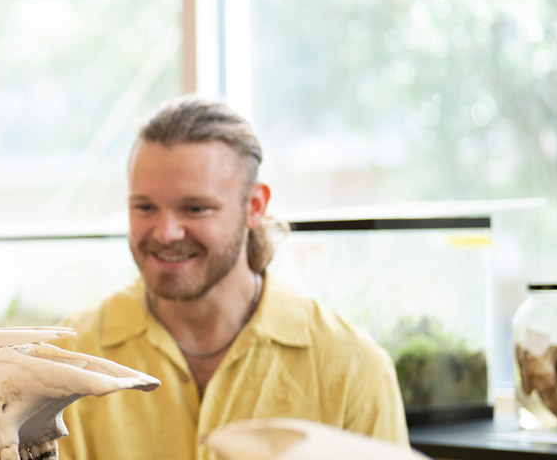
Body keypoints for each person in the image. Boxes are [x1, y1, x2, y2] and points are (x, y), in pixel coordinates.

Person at [54, 95, 408, 460]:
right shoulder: (68, 360)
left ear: (254, 206)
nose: (166, 232)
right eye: (145, 207)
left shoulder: (352, 366)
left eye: (195, 208)